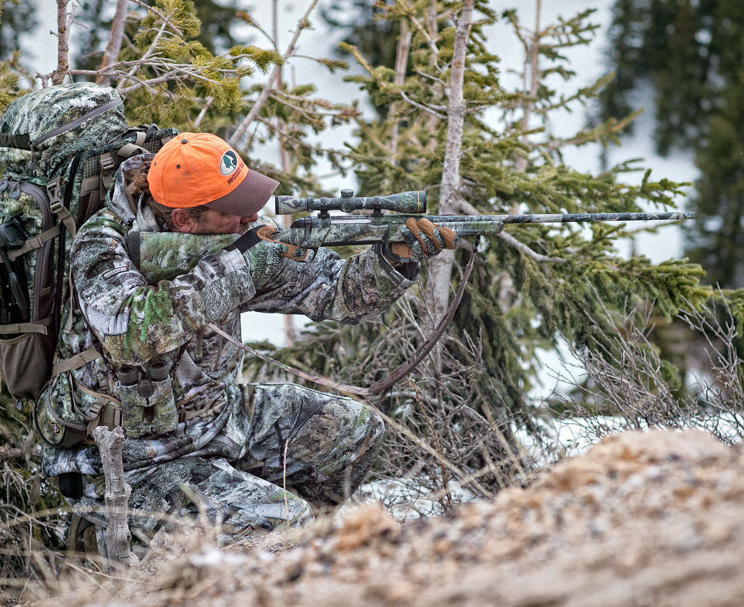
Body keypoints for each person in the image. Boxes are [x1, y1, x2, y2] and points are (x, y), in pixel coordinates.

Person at [35, 132, 455, 548]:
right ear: (184, 220)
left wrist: (394, 258)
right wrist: (239, 268)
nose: (250, 220)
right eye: (234, 212)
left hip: (217, 422)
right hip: (129, 459)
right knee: (289, 527)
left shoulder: (241, 237)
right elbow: (130, 335)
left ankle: (285, 547)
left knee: (353, 430)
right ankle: (138, 545)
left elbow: (338, 292)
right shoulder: (103, 243)